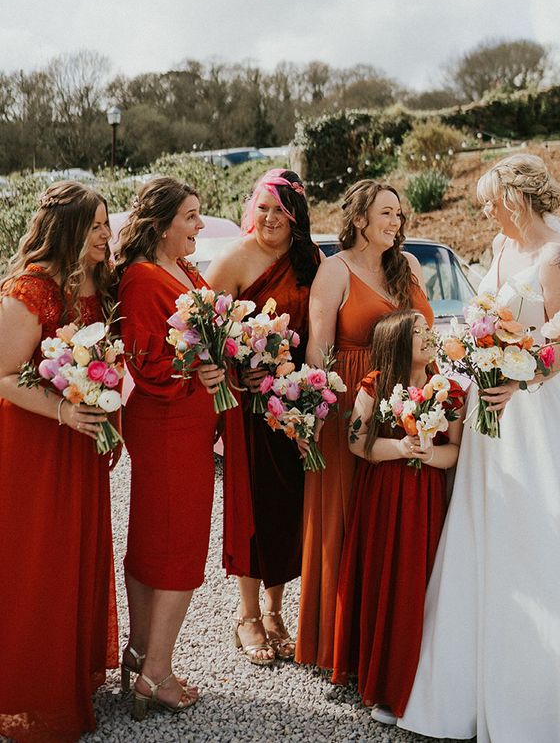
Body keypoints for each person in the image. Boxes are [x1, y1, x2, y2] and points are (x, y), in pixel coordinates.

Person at [394, 153, 560, 742]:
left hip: (539, 411)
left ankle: (555, 695)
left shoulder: (556, 257)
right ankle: (469, 684)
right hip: (491, 413)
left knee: (545, 534)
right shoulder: (502, 247)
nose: (485, 210)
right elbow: (485, 317)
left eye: (490, 201)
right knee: (487, 530)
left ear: (516, 198)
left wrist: (523, 378)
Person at [296, 179, 434, 670]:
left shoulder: (409, 266)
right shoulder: (335, 271)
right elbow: (318, 352)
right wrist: (313, 415)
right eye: (385, 213)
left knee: (396, 519)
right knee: (343, 515)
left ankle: (393, 642)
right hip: (349, 402)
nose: (396, 222)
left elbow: (427, 333)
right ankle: (340, 644)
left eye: (399, 214)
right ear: (359, 219)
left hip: (411, 403)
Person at [0, 181, 119, 743]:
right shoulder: (31, 289)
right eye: (95, 226)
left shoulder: (100, 280)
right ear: (67, 229)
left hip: (81, 440)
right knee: (38, 558)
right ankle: (31, 688)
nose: (106, 234)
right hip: (38, 445)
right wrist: (66, 412)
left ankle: (69, 673)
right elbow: (3, 377)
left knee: (78, 551)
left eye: (106, 223)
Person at [116, 177, 225, 718]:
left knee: (154, 537)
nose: (199, 225)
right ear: (161, 225)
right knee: (179, 543)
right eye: (190, 216)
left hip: (187, 422)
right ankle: (156, 674)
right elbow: (143, 360)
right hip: (166, 424)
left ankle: (139, 653)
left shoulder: (183, 269)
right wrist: (194, 372)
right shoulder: (141, 278)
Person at [206, 168, 322, 665]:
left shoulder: (310, 259)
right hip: (248, 407)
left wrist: (311, 392)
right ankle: (247, 615)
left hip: (293, 401)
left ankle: (275, 611)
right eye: (264, 208)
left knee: (287, 505)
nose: (270, 218)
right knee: (251, 506)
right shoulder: (234, 258)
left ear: (296, 215)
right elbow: (203, 334)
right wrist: (237, 372)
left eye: (281, 210)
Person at [332, 309, 465, 717]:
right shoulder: (375, 385)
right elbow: (357, 442)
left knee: (413, 580)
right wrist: (400, 448)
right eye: (418, 331)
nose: (428, 335)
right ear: (397, 342)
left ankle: (404, 679)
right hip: (382, 495)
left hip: (424, 497)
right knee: (379, 574)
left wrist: (428, 455)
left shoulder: (450, 391)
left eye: (428, 329)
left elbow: (454, 451)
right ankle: (370, 670)